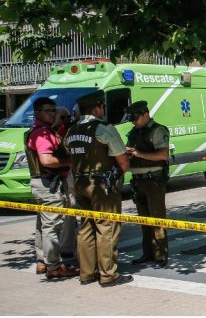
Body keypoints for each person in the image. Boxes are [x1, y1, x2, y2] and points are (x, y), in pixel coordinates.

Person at [64, 90, 132, 286]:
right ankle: (108, 274)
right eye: (102, 106)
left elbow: (69, 154)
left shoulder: (71, 131)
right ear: (96, 108)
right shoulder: (104, 128)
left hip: (79, 183)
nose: (103, 110)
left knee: (85, 227)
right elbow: (123, 163)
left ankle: (87, 273)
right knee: (107, 227)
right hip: (102, 186)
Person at [26, 97, 79, 280]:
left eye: (53, 110)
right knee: (52, 226)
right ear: (38, 112)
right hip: (50, 185)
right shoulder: (42, 134)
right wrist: (67, 161)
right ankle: (54, 266)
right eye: (48, 111)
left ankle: (43, 263)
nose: (52, 114)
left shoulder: (39, 130)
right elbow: (46, 160)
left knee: (42, 224)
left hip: (42, 183)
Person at [125, 101, 170, 267]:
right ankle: (147, 253)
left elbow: (163, 155)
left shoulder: (158, 130)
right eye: (131, 118)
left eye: (136, 118)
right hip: (138, 181)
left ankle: (160, 255)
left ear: (146, 114)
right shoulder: (134, 131)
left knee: (157, 220)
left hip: (154, 181)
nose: (133, 122)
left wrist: (139, 154)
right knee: (144, 221)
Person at [52, 105, 77, 260]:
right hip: (59, 178)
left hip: (68, 176)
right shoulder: (52, 133)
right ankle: (64, 248)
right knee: (66, 213)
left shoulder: (70, 130)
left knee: (70, 211)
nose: (66, 121)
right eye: (63, 118)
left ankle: (66, 247)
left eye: (69, 117)